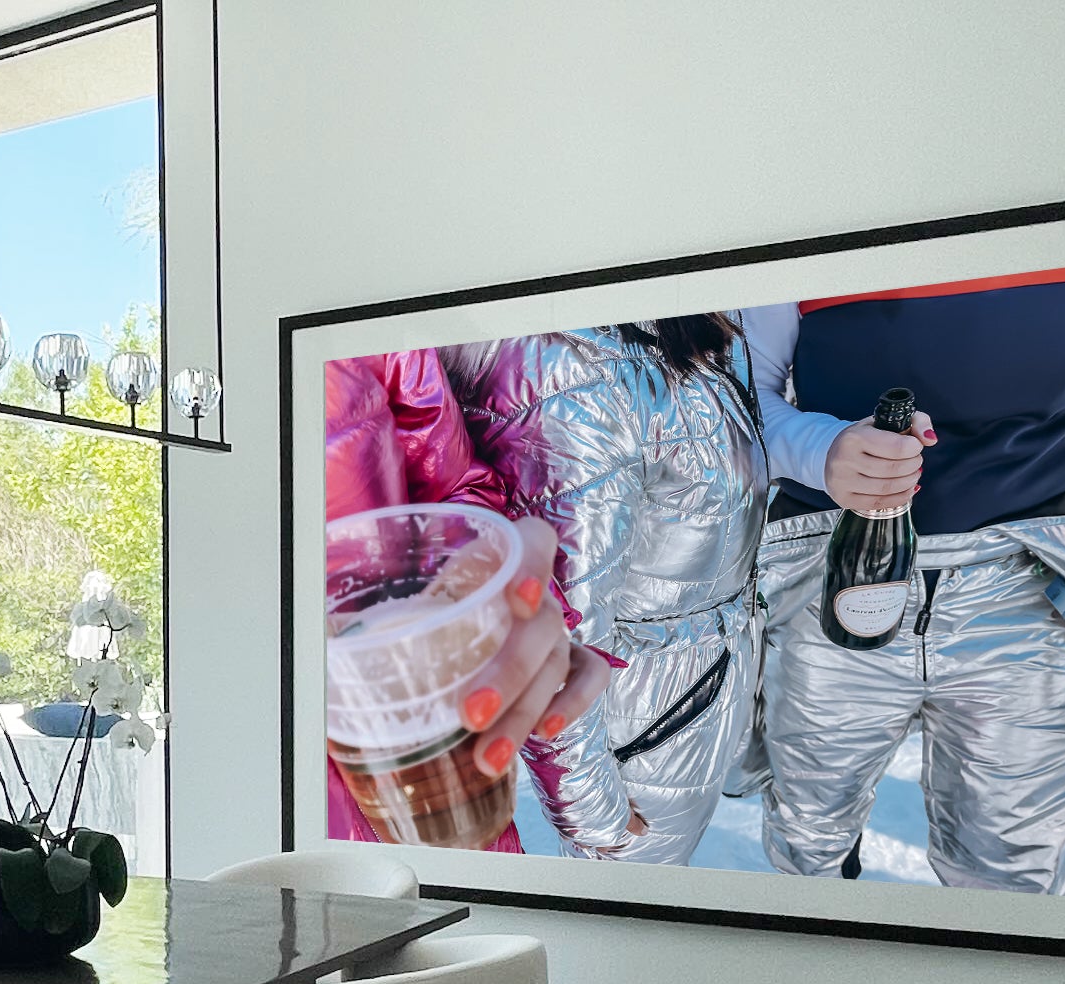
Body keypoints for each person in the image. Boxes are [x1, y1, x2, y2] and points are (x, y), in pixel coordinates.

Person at [739, 250, 1065, 891]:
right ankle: (823, 972)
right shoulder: (807, 193)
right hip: (836, 569)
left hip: (1040, 573)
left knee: (1019, 870)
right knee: (810, 839)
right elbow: (732, 397)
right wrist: (818, 449)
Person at [438, 316, 769, 863]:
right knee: (633, 935)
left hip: (688, 695)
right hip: (644, 721)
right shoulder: (572, 376)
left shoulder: (659, 326)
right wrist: (596, 818)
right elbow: (557, 630)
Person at [322, 348, 611, 851]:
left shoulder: (348, 313)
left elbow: (454, 488)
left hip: (451, 769)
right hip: (272, 841)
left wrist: (495, 590)